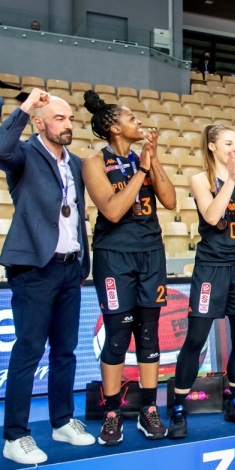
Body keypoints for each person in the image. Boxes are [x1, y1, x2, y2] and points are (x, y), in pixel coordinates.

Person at [0, 89, 95, 464]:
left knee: (65, 351)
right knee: (29, 351)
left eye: (70, 119)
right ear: (39, 122)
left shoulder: (77, 163)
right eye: (59, 118)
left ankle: (62, 421)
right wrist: (25, 105)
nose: (68, 125)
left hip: (70, 267)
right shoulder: (24, 155)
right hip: (34, 268)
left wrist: (83, 261)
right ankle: (14, 436)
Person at [82, 90, 177, 445]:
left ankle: (149, 409)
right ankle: (112, 413)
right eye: (131, 118)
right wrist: (140, 170)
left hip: (151, 253)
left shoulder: (144, 158)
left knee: (150, 334)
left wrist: (153, 161)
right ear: (113, 127)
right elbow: (112, 210)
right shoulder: (94, 161)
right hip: (114, 256)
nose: (138, 122)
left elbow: (170, 200)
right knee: (118, 335)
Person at [167, 129, 235, 438]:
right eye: (228, 143)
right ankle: (178, 408)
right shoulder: (201, 179)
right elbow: (212, 216)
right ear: (212, 146)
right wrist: (229, 179)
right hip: (212, 268)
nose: (234, 148)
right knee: (195, 339)